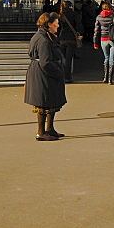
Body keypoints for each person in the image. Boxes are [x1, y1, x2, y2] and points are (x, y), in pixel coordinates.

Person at [24, 12, 68, 141]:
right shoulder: (43, 40)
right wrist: (58, 72)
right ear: (49, 25)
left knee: (51, 101)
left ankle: (50, 129)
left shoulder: (43, 36)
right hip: (43, 74)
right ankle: (41, 132)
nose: (58, 25)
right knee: (43, 103)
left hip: (42, 73)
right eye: (56, 23)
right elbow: (45, 62)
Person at [93, 2, 114, 84]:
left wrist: (95, 42)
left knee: (106, 58)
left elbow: (96, 31)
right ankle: (110, 79)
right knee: (112, 59)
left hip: (103, 39)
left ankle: (105, 77)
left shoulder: (99, 17)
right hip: (113, 39)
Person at [57, 0, 83, 83]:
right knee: (68, 59)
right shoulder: (74, 14)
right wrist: (80, 34)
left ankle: (61, 75)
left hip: (62, 39)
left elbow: (58, 28)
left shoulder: (60, 16)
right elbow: (79, 25)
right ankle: (67, 77)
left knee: (62, 58)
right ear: (70, 6)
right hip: (71, 38)